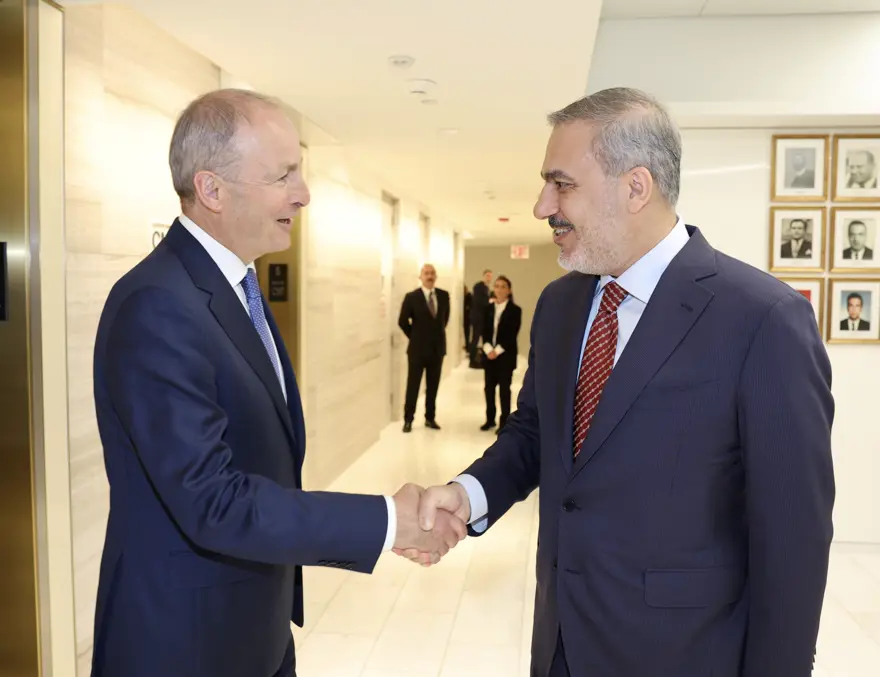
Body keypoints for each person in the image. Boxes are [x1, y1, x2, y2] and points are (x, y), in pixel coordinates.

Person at [402, 87, 835, 677]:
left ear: (636, 187)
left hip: (684, 655)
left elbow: (793, 535)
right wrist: (469, 493)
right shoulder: (559, 304)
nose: (542, 206)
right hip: (562, 643)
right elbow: (534, 434)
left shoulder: (763, 319)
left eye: (562, 185)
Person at [89, 89, 465, 677]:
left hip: (253, 629)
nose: (304, 193)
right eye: (282, 175)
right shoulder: (157, 305)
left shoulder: (232, 286)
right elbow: (212, 500)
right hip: (185, 642)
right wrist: (389, 521)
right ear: (212, 190)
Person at [398, 263, 450, 432]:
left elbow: (444, 320)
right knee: (413, 385)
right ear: (420, 277)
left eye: (432, 273)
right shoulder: (411, 297)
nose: (429, 276)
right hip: (417, 350)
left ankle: (430, 417)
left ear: (436, 276)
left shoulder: (444, 296)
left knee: (433, 386)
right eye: (426, 273)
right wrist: (415, 337)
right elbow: (402, 321)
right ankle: (408, 419)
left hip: (437, 349)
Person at [479, 275, 522, 434]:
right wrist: (488, 349)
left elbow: (511, 334)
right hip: (488, 355)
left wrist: (496, 351)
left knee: (504, 389)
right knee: (489, 389)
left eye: (503, 286)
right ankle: (489, 419)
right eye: (496, 286)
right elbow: (483, 331)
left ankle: (504, 422)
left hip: (505, 356)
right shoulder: (487, 309)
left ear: (509, 290)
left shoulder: (515, 310)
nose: (499, 289)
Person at [468, 269, 494, 367]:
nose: (489, 278)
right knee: (475, 338)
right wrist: (490, 301)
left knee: (483, 338)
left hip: (482, 318)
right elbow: (480, 301)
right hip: (478, 318)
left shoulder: (486, 288)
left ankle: (482, 359)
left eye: (490, 276)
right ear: (483, 276)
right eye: (487, 276)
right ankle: (472, 360)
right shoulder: (479, 286)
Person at [463, 284, 473, 349]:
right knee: (466, 332)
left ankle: (468, 346)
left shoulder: (469, 296)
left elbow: (469, 307)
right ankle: (467, 345)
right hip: (466, 317)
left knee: (467, 332)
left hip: (467, 317)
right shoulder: (465, 296)